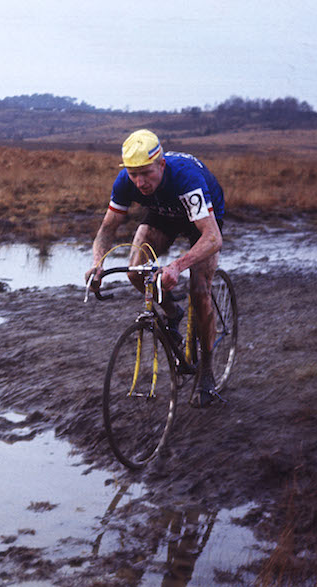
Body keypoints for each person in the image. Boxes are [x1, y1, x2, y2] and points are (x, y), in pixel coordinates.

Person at [86, 129, 226, 407]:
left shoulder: (185, 177)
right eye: (133, 174)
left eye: (146, 173)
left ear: (161, 165)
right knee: (134, 272)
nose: (140, 182)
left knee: (199, 291)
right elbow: (107, 229)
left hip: (203, 221)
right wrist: (97, 263)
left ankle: (207, 371)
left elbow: (213, 238)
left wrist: (176, 266)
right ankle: (173, 313)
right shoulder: (126, 181)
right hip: (164, 215)